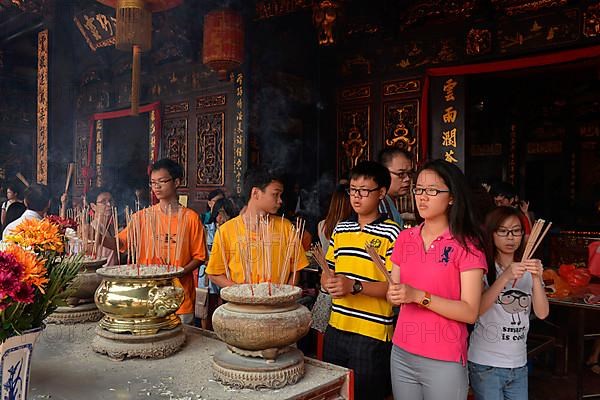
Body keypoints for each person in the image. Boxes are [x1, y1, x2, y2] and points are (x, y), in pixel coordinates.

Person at [387, 159, 487, 400]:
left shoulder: (467, 246)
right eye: (419, 189)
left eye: (432, 191)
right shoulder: (405, 238)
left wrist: (418, 296)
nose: (422, 197)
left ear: (451, 197)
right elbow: (395, 294)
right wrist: (394, 294)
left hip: (444, 358)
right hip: (402, 352)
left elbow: (470, 311)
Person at [321, 161, 401, 400]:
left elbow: (394, 289)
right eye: (353, 190)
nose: (357, 197)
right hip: (336, 327)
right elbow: (329, 270)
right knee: (335, 394)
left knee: (367, 394)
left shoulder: (393, 233)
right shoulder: (341, 229)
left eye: (365, 190)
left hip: (372, 333)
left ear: (381, 193)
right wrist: (328, 281)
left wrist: (354, 286)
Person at [105, 159, 206, 325]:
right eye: (153, 183)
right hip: (147, 295)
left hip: (179, 297)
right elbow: (119, 243)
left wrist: (181, 271)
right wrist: (97, 236)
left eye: (162, 181)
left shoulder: (191, 218)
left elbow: (199, 256)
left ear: (177, 182)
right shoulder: (142, 217)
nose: (156, 187)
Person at [468, 206, 549, 400]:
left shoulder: (529, 268)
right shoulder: (482, 267)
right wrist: (504, 277)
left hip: (518, 363)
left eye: (516, 231)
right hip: (486, 363)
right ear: (492, 233)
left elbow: (542, 313)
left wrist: (537, 278)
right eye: (503, 231)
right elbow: (477, 310)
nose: (511, 237)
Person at [206, 167, 309, 288]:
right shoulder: (227, 231)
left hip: (278, 305)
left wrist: (283, 294)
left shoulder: (286, 228)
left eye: (281, 195)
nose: (280, 200)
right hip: (241, 305)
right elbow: (214, 274)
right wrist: (241, 292)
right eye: (275, 194)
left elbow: (296, 268)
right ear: (255, 193)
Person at [312, 183, 352, 334]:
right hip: (341, 286)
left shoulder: (322, 225)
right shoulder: (348, 229)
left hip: (325, 287)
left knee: (323, 334)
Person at [378, 147, 413, 227]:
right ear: (384, 173)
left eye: (409, 173)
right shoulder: (379, 203)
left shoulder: (389, 200)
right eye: (401, 174)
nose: (407, 179)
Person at [86, 187, 118, 266]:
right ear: (93, 206)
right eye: (103, 202)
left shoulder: (112, 228)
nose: (109, 205)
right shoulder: (92, 229)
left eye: (110, 201)